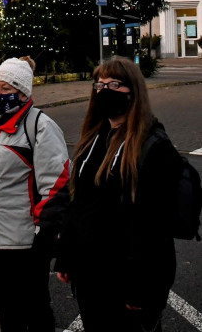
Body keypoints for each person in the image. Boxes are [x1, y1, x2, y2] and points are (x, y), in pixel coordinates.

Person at [55, 57, 182, 332]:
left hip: (126, 284)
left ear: (133, 92)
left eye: (114, 84)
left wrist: (142, 288)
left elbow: (156, 227)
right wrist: (66, 254)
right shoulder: (94, 138)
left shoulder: (153, 147)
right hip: (89, 276)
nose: (104, 91)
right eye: (99, 85)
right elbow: (79, 202)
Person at [0, 57, 70, 332]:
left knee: (35, 309)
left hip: (26, 242)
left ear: (23, 92)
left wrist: (45, 235)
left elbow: (56, 184)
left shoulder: (40, 126)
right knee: (6, 307)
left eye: (6, 88)